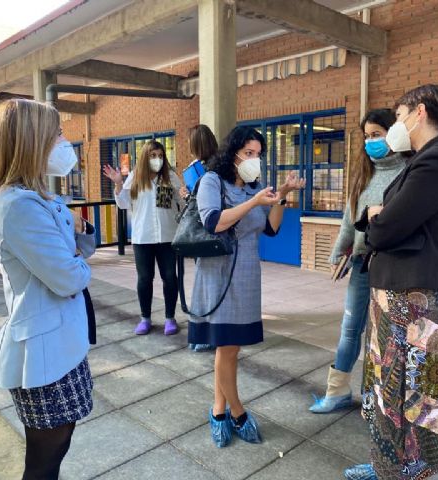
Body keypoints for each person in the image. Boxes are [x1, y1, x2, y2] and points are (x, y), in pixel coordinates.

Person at [347, 84, 438, 480]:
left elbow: (384, 230)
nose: (396, 124)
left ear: (419, 113)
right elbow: (387, 220)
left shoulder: (437, 163)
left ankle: (408, 471)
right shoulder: (425, 160)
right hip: (399, 295)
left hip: (411, 300)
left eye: (398, 116)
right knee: (390, 386)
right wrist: (378, 215)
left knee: (412, 394)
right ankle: (388, 465)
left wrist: (378, 217)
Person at [0, 99, 96, 480]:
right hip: (44, 354)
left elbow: (77, 251)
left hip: (60, 342)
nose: (64, 142)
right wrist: (76, 255)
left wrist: (77, 240)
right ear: (32, 141)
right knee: (44, 460)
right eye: (57, 134)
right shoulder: (19, 206)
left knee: (58, 447)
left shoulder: (38, 197)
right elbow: (69, 278)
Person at [188, 126, 305, 447]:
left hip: (247, 275)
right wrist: (253, 202)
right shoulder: (212, 181)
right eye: (249, 153)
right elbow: (214, 221)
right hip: (219, 275)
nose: (254, 160)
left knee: (230, 349)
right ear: (233, 152)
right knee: (226, 347)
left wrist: (282, 194)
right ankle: (237, 413)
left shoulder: (253, 187)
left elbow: (270, 228)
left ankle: (218, 410)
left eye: (258, 155)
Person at [309, 109, 407, 414]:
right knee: (350, 328)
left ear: (393, 133)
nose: (370, 142)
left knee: (385, 336)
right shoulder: (364, 172)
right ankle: (336, 392)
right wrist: (339, 251)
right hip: (363, 264)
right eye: (366, 136)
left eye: (376, 134)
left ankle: (378, 400)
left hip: (393, 266)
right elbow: (349, 219)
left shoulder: (409, 171)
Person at [104, 141, 184, 336]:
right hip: (143, 238)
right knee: (145, 279)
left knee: (170, 278)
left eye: (159, 155)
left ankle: (170, 318)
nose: (156, 159)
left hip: (167, 237)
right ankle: (145, 318)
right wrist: (118, 183)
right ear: (145, 157)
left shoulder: (170, 177)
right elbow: (123, 204)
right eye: (152, 155)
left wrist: (182, 193)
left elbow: (182, 203)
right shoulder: (136, 177)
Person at [186, 124, 219, 353]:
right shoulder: (223, 167)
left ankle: (206, 335)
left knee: (205, 285)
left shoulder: (199, 170)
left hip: (202, 234)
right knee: (214, 285)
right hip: (219, 231)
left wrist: (189, 193)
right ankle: (212, 333)